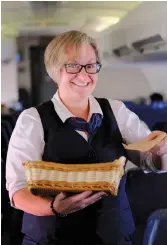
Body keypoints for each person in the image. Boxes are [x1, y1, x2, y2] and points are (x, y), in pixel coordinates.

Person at [6, 30, 167, 245]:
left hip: (114, 237)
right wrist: (53, 208)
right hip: (52, 239)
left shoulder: (117, 111)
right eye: (73, 66)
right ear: (55, 70)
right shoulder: (32, 120)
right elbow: (18, 190)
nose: (84, 75)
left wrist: (161, 151)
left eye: (91, 65)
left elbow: (152, 163)